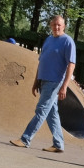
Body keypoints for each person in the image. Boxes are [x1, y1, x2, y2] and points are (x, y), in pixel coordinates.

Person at [10, 14, 77, 153]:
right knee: (52, 113)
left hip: (55, 81)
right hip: (44, 81)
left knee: (41, 110)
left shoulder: (68, 41)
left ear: (64, 26)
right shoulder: (48, 40)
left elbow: (71, 65)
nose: (56, 27)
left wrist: (64, 86)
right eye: (54, 24)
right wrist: (36, 81)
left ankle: (25, 139)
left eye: (59, 24)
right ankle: (58, 144)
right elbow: (42, 62)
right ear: (50, 26)